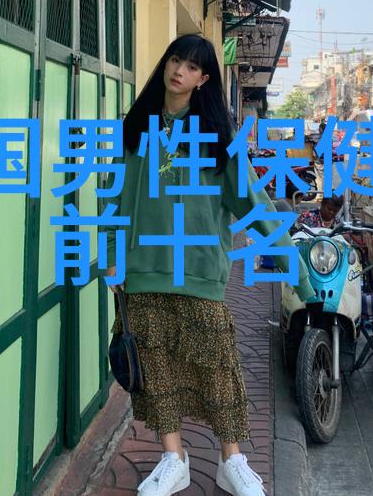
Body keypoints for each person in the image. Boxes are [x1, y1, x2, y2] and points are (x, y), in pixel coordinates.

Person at [103, 34, 314, 496]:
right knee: (156, 370)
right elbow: (115, 198)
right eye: (175, 59)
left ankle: (231, 461)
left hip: (200, 271)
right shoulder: (134, 128)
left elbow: (255, 204)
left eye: (192, 66)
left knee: (218, 371)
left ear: (203, 79)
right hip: (143, 270)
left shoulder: (217, 139)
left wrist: (297, 272)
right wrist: (112, 255)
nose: (179, 70)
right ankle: (172, 458)